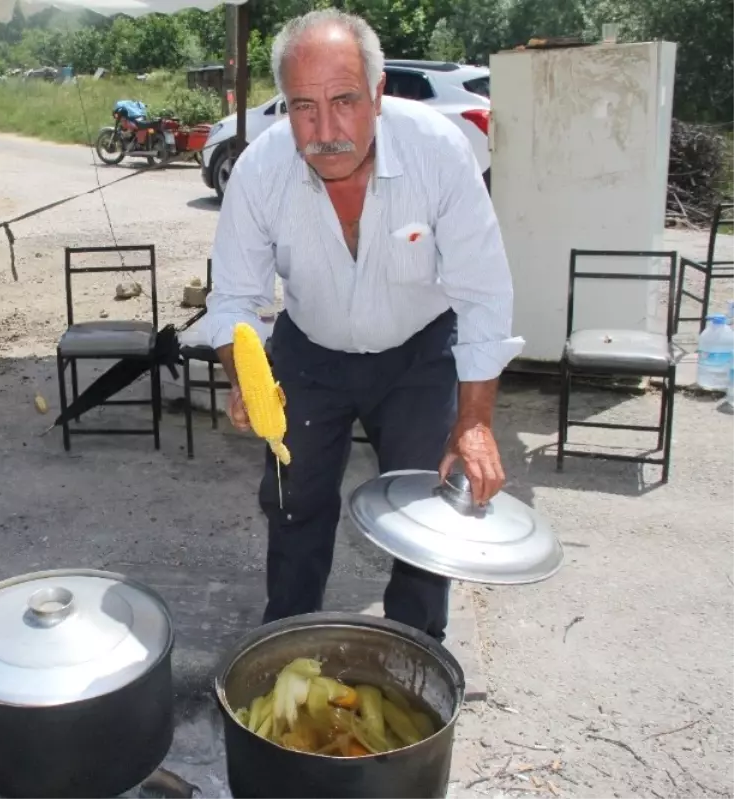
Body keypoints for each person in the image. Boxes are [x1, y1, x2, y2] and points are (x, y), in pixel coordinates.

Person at [204, 9, 524, 642]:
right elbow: (234, 300)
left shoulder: (438, 152)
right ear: (284, 107)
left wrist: (476, 422)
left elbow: (483, 293)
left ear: (378, 94)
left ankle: (415, 651)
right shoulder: (260, 171)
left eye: (345, 100)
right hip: (310, 351)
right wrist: (244, 376)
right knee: (294, 504)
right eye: (304, 107)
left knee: (425, 512)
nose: (326, 131)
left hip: (419, 351)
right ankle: (286, 643)